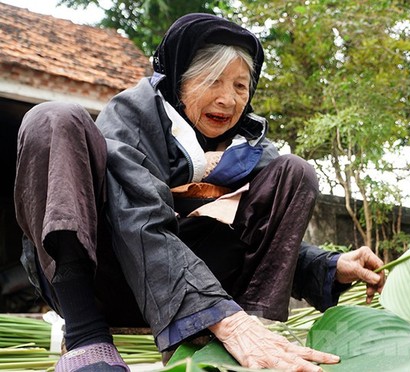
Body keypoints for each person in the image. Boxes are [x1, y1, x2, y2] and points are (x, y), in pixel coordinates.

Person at [14, 13, 385, 372]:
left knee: (294, 171)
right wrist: (222, 318)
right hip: (112, 281)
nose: (229, 99)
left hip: (211, 300)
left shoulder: (248, 147)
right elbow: (138, 218)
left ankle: (254, 329)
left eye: (241, 86)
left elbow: (252, 238)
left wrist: (328, 266)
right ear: (177, 82)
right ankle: (86, 337)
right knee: (53, 118)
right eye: (213, 81)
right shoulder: (132, 117)